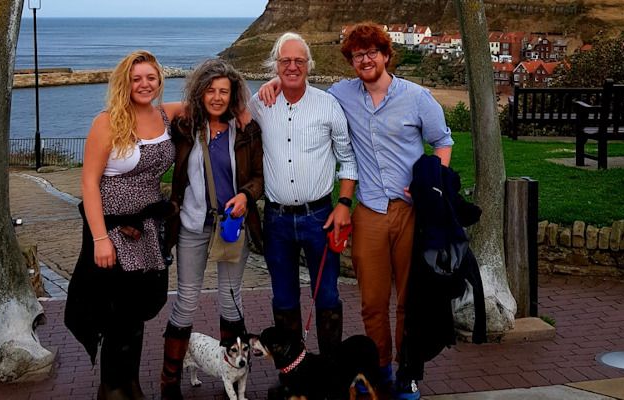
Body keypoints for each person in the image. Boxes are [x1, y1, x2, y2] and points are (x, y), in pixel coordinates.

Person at [258, 23, 453, 399]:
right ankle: (377, 371)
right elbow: (299, 89)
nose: (365, 60)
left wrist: (434, 182)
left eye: (371, 53)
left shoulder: (416, 97)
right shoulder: (340, 95)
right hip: (369, 212)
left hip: (412, 212)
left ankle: (408, 372)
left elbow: (442, 141)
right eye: (357, 55)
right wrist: (276, 85)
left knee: (409, 300)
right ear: (351, 61)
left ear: (385, 55)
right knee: (373, 302)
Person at [65, 50, 182, 400]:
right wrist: (101, 239)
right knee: (115, 312)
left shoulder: (166, 114)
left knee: (135, 312)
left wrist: (259, 92)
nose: (144, 84)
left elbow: (212, 96)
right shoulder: (108, 122)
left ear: (160, 80)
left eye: (151, 77)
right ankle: (112, 388)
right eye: (137, 79)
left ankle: (130, 384)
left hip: (146, 229)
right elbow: (89, 184)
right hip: (114, 228)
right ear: (124, 83)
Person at [159, 58, 264, 400]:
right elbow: (150, 109)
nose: (217, 97)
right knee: (187, 301)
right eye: (210, 90)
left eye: (224, 91)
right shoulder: (186, 127)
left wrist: (247, 196)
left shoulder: (245, 131)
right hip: (191, 225)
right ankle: (169, 381)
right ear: (200, 93)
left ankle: (232, 372)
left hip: (232, 226)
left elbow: (258, 177)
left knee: (231, 301)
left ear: (233, 96)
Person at [248, 32, 357, 357]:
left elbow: (348, 160)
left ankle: (331, 374)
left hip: (320, 218)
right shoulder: (260, 104)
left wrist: (344, 204)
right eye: (285, 61)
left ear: (309, 64)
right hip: (277, 220)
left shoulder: (328, 106)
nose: (292, 66)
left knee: (326, 296)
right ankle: (292, 373)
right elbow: (231, 115)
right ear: (275, 65)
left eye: (299, 60)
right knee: (283, 298)